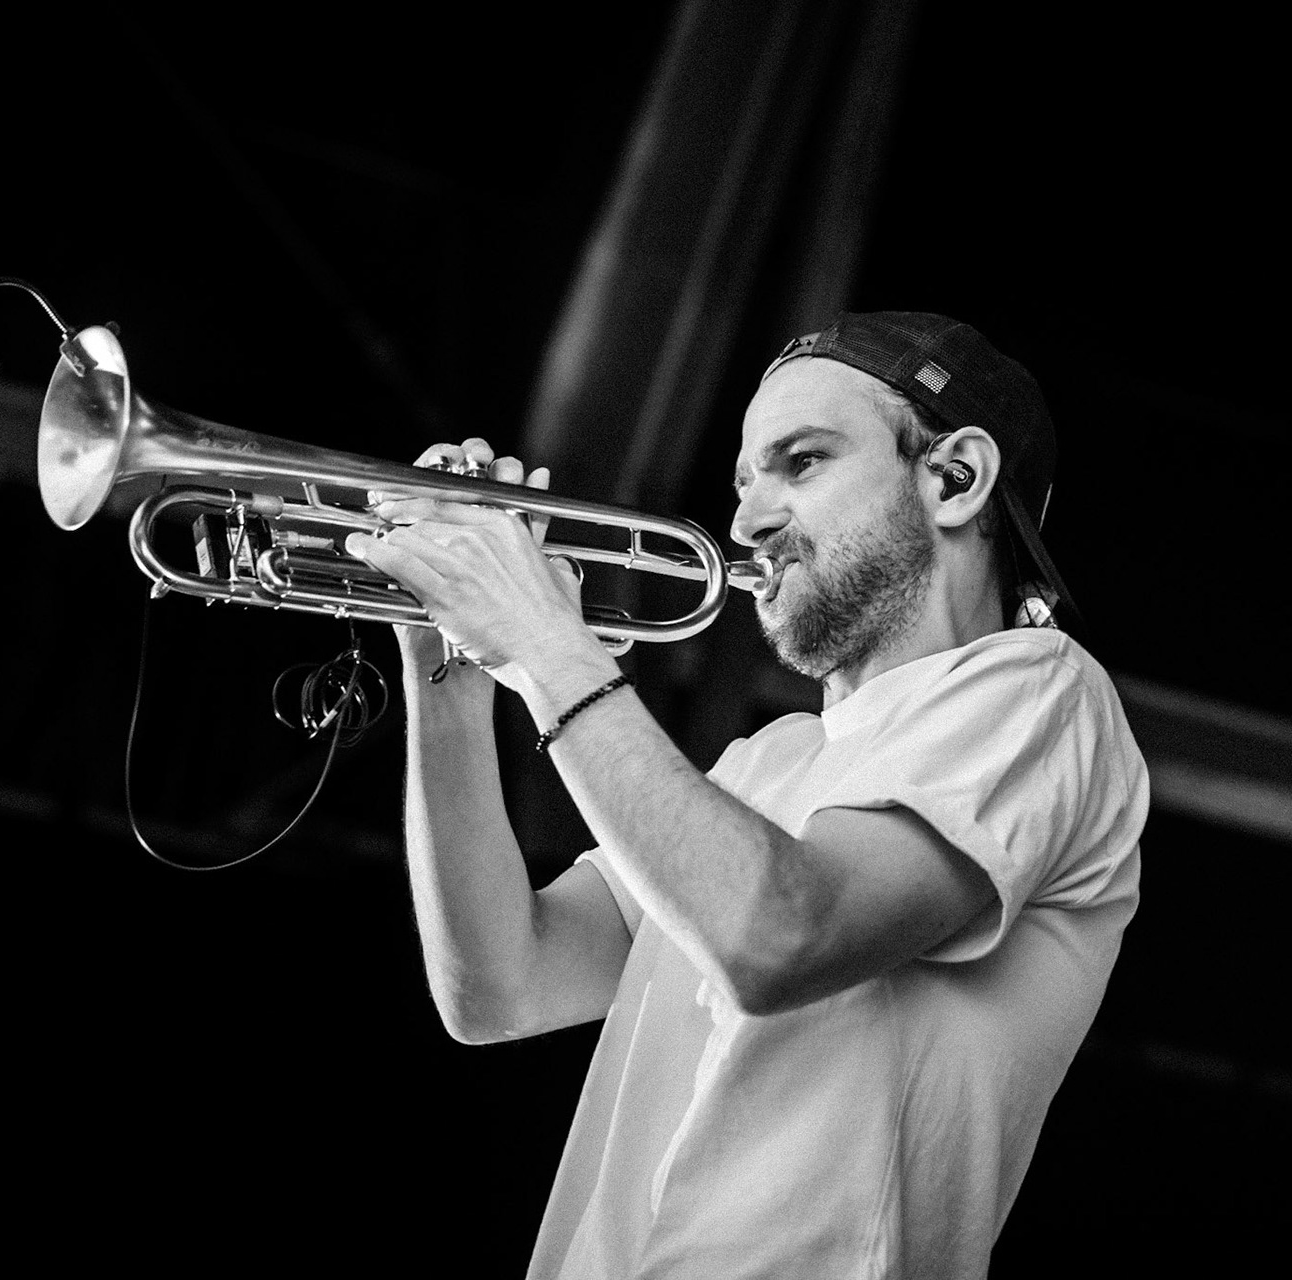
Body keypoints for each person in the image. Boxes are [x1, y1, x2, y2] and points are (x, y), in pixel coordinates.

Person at [346, 312, 1147, 1279]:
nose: (744, 521)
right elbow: (502, 984)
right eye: (742, 482)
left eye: (799, 463)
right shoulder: (766, 764)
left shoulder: (1044, 692)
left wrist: (547, 644)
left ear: (954, 478)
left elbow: (781, 935)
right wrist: (451, 678)